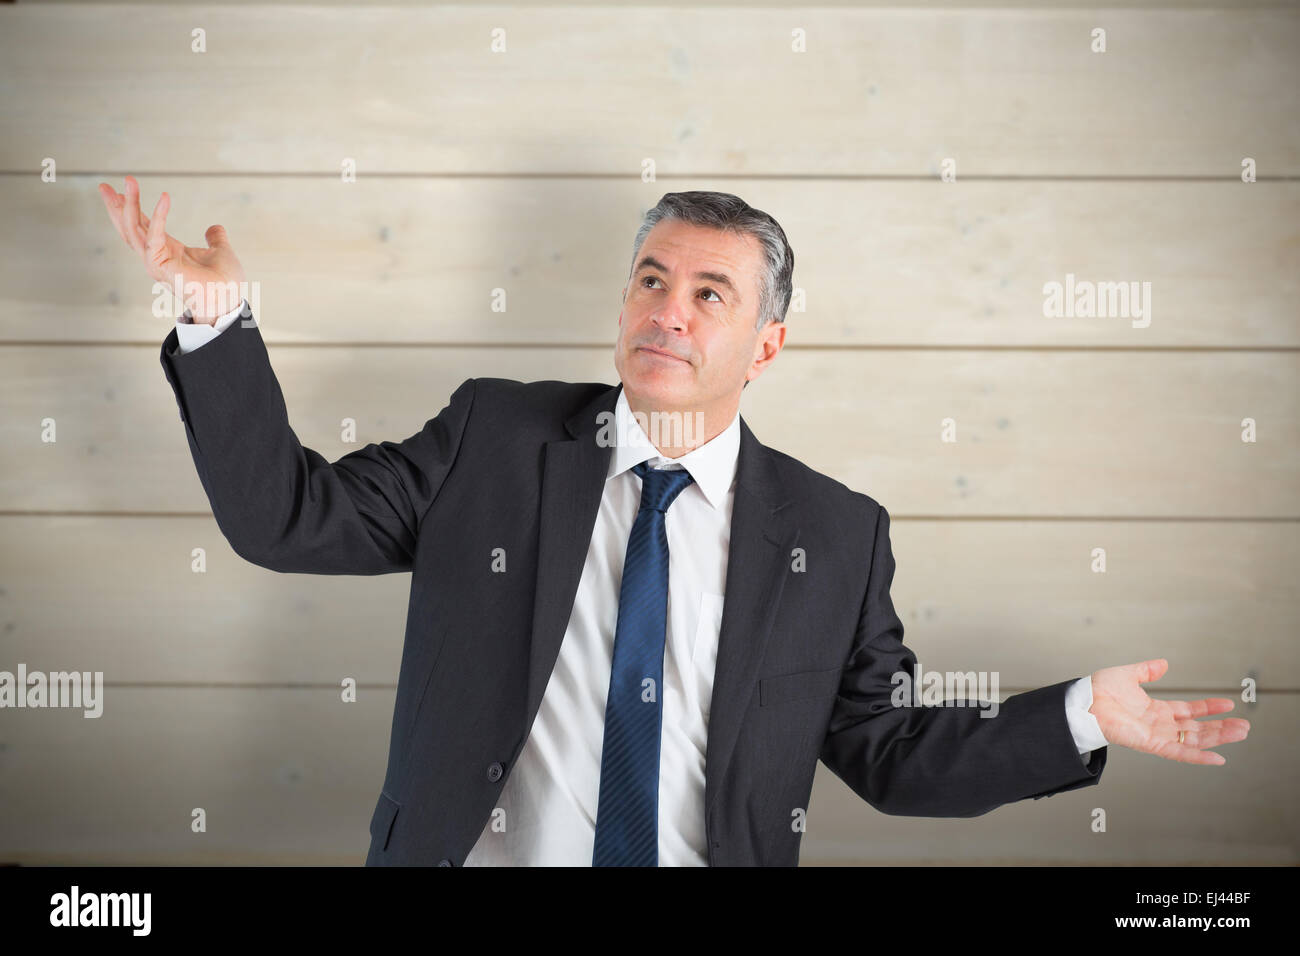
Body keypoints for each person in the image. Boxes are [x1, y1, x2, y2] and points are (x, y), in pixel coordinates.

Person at [99, 179, 1250, 866]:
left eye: (710, 295)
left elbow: (890, 754)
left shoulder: (834, 533)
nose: (669, 311)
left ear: (767, 343)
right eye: (651, 280)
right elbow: (288, 518)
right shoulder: (494, 440)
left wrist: (1072, 716)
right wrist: (217, 320)